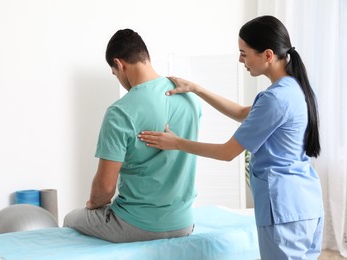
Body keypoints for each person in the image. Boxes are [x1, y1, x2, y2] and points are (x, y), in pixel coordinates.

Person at [138, 15, 324, 259]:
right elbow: (241, 113)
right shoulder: (296, 89)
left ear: (268, 55)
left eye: (244, 53)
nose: (240, 59)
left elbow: (227, 153)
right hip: (307, 202)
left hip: (284, 208)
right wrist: (197, 89)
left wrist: (176, 142)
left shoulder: (275, 98)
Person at [63, 29, 202, 243]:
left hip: (136, 225)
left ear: (119, 64)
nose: (118, 78)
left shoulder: (120, 112)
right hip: (183, 223)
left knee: (71, 218)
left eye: (115, 73)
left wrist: (92, 204)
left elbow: (105, 189)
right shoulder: (188, 97)